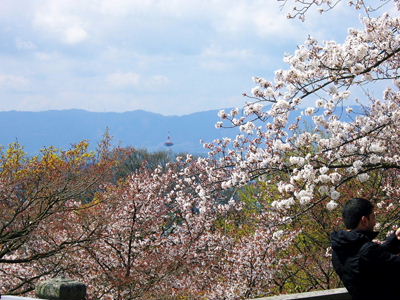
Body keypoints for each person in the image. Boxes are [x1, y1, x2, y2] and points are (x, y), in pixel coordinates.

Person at [331, 197, 400, 300]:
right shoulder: (368, 251)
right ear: (364, 220)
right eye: (373, 217)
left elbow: (375, 257)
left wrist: (395, 237)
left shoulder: (338, 250)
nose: (375, 221)